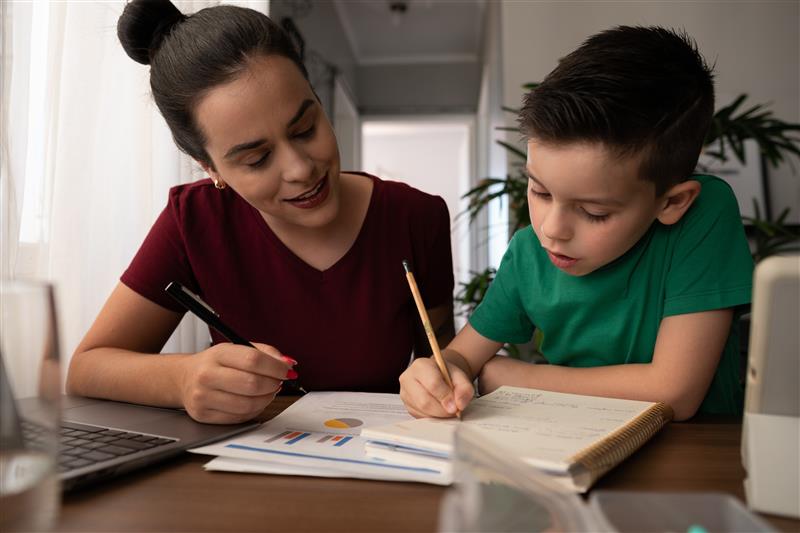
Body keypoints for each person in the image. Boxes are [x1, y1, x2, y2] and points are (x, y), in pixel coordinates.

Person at [66, 0, 455, 424]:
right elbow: (86, 369)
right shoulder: (195, 220)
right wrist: (182, 378)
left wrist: (441, 381)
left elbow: (444, 361)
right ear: (210, 167)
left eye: (306, 129)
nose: (300, 169)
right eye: (256, 159)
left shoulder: (417, 217)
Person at [400, 26, 753, 422]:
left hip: (694, 460)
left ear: (670, 202)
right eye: (539, 191)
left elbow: (675, 392)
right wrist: (436, 374)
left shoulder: (702, 215)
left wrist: (511, 376)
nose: (552, 229)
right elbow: (462, 356)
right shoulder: (529, 253)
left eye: (594, 212)